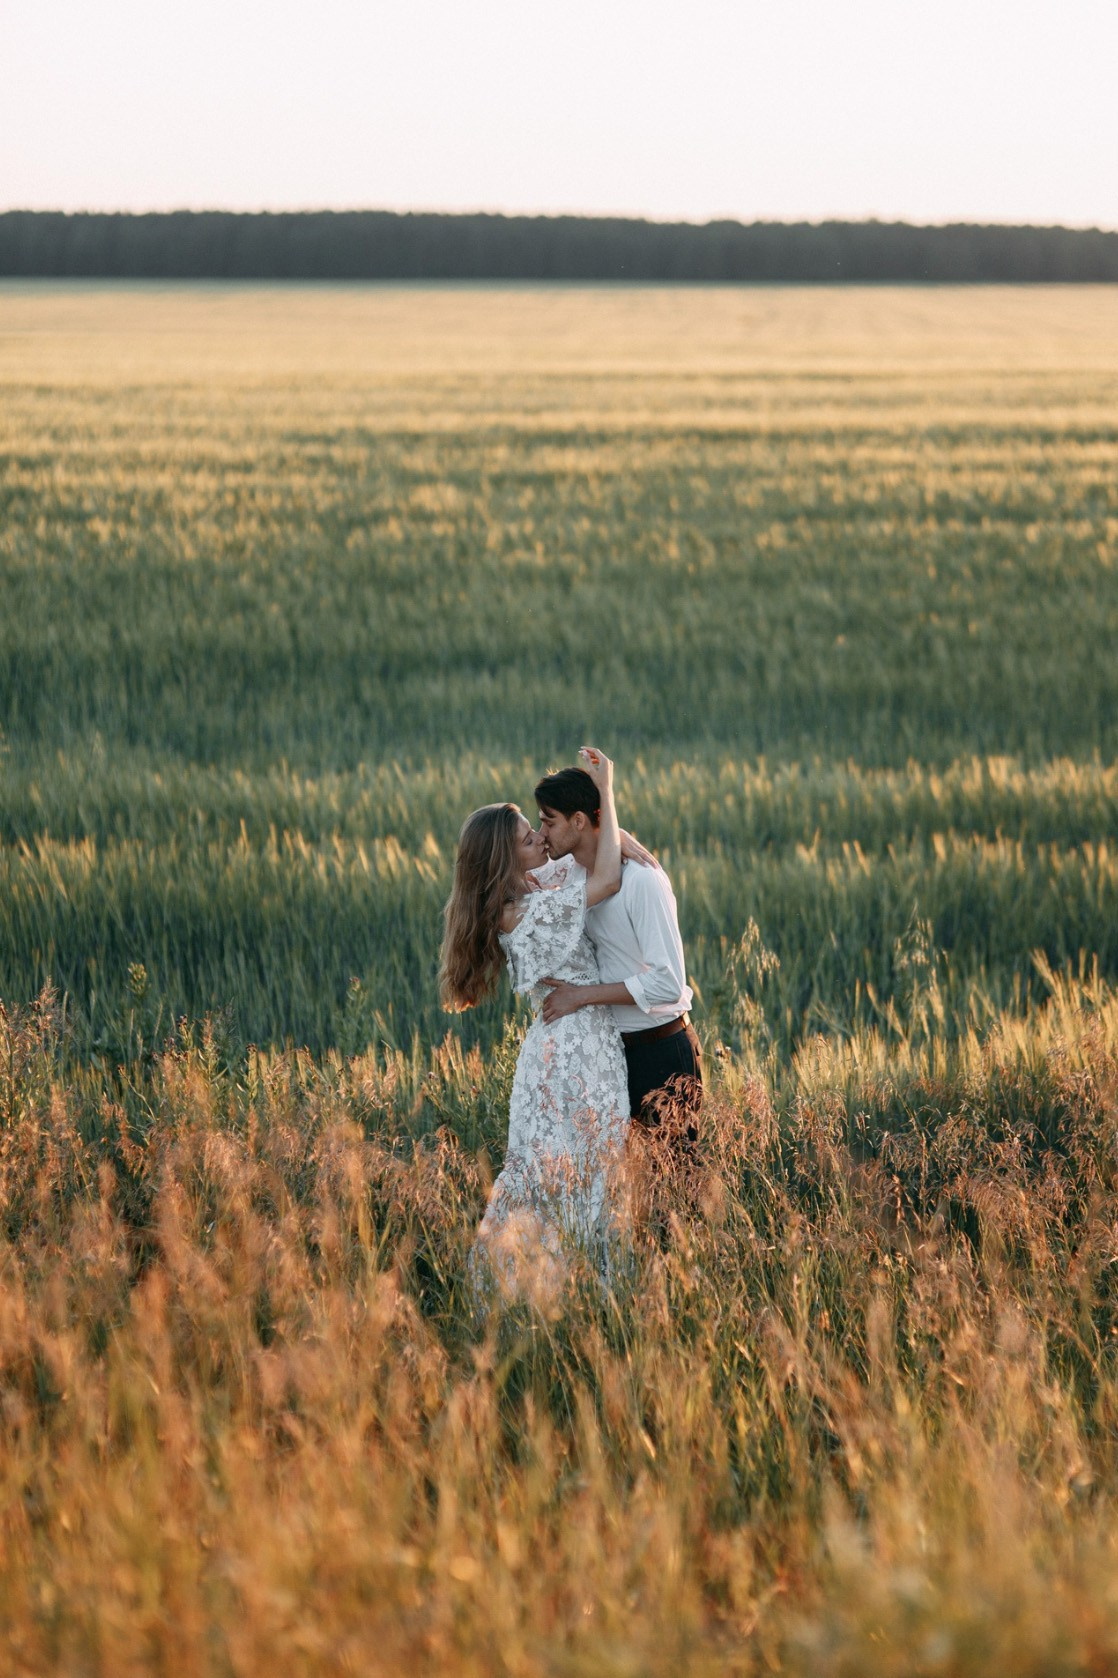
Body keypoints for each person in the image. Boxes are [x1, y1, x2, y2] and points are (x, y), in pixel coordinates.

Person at [439, 748, 632, 1291]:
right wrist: (606, 794)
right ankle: (545, 1293)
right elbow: (608, 877)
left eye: (537, 830)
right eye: (529, 838)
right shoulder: (523, 912)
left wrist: (608, 830)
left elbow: (586, 854)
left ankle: (576, 1293)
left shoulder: (533, 888)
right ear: (506, 856)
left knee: (580, 1170)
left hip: (582, 1041)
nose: (540, 840)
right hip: (571, 1055)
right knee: (567, 1172)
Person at [533, 766, 702, 1163]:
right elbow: (511, 871)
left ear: (578, 821)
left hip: (661, 1052)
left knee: (677, 1190)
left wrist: (579, 997)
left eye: (548, 821)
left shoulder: (642, 880)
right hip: (614, 1056)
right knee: (631, 1196)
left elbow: (668, 984)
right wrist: (615, 833)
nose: (541, 834)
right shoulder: (574, 873)